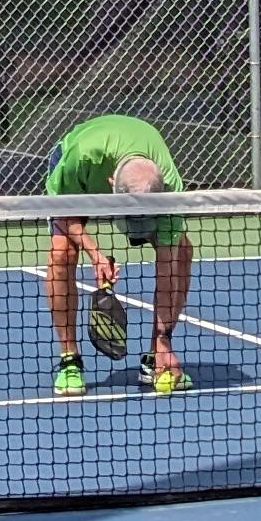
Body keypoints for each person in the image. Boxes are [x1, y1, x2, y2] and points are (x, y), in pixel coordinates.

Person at [43, 113, 191, 396]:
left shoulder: (169, 185)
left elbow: (166, 266)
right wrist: (95, 254)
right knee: (61, 253)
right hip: (78, 175)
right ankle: (69, 360)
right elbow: (65, 215)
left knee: (181, 252)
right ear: (111, 184)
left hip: (138, 181)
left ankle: (155, 358)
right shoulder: (81, 157)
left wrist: (163, 342)